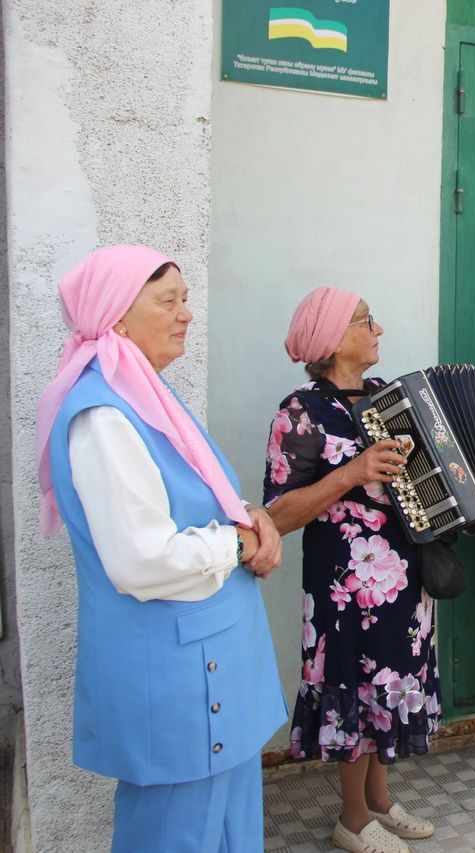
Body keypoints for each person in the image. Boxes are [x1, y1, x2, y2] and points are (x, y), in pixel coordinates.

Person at [35, 246, 286, 852]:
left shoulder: (145, 395)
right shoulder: (104, 417)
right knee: (178, 834)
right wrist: (237, 540)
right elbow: (140, 559)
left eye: (186, 299)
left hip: (212, 673)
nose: (186, 315)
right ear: (117, 316)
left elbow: (195, 502)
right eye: (167, 301)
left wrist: (246, 516)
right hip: (180, 684)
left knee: (228, 833)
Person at [266, 288, 443, 853]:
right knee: (353, 683)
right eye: (368, 321)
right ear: (335, 336)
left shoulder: (390, 398)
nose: (379, 330)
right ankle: (352, 817)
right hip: (345, 586)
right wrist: (352, 473)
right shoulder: (301, 410)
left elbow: (438, 475)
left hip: (404, 575)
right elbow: (279, 513)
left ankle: (381, 801)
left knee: (388, 682)